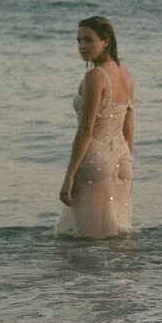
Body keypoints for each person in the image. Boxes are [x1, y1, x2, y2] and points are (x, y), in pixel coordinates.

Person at [57, 15, 134, 237]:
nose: (82, 46)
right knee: (116, 237)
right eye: (79, 40)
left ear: (106, 41)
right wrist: (129, 162)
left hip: (95, 161)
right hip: (122, 160)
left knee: (83, 240)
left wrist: (69, 176)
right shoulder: (125, 74)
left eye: (88, 40)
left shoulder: (95, 76)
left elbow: (85, 129)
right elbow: (128, 126)